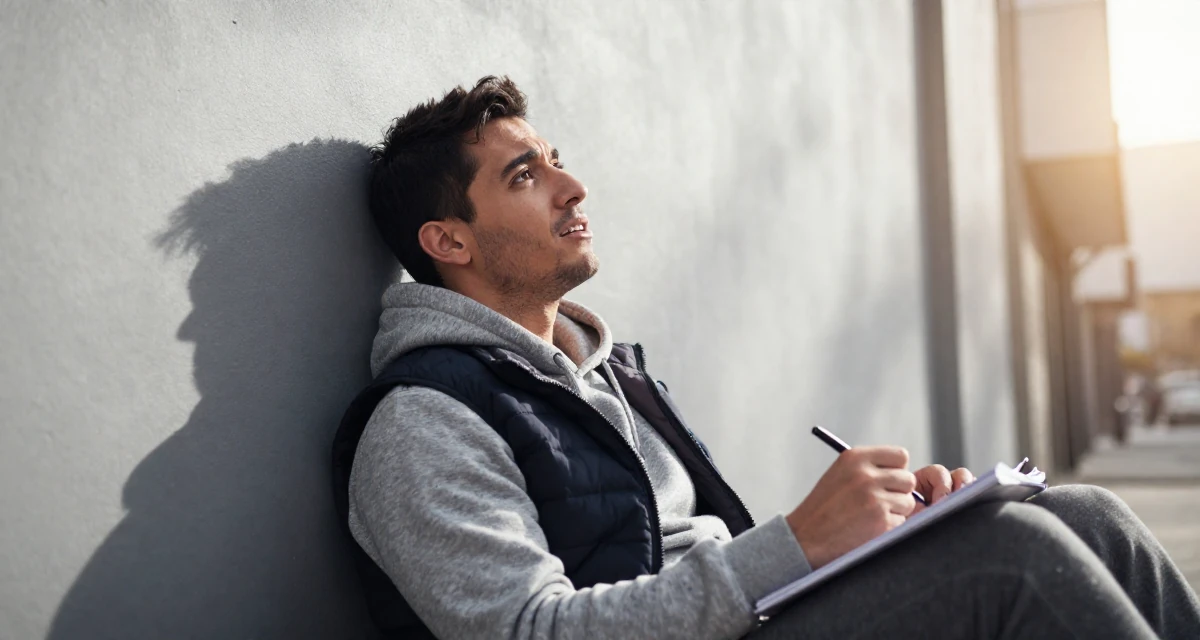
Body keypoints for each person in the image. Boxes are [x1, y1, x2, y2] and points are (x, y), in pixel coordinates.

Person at [331, 76, 1200, 640]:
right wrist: (794, 544)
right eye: (525, 176)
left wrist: (877, 530)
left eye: (557, 162)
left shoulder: (611, 374)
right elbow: (530, 631)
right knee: (1010, 557)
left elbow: (705, 565)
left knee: (1087, 518)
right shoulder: (424, 419)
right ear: (448, 239)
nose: (572, 186)